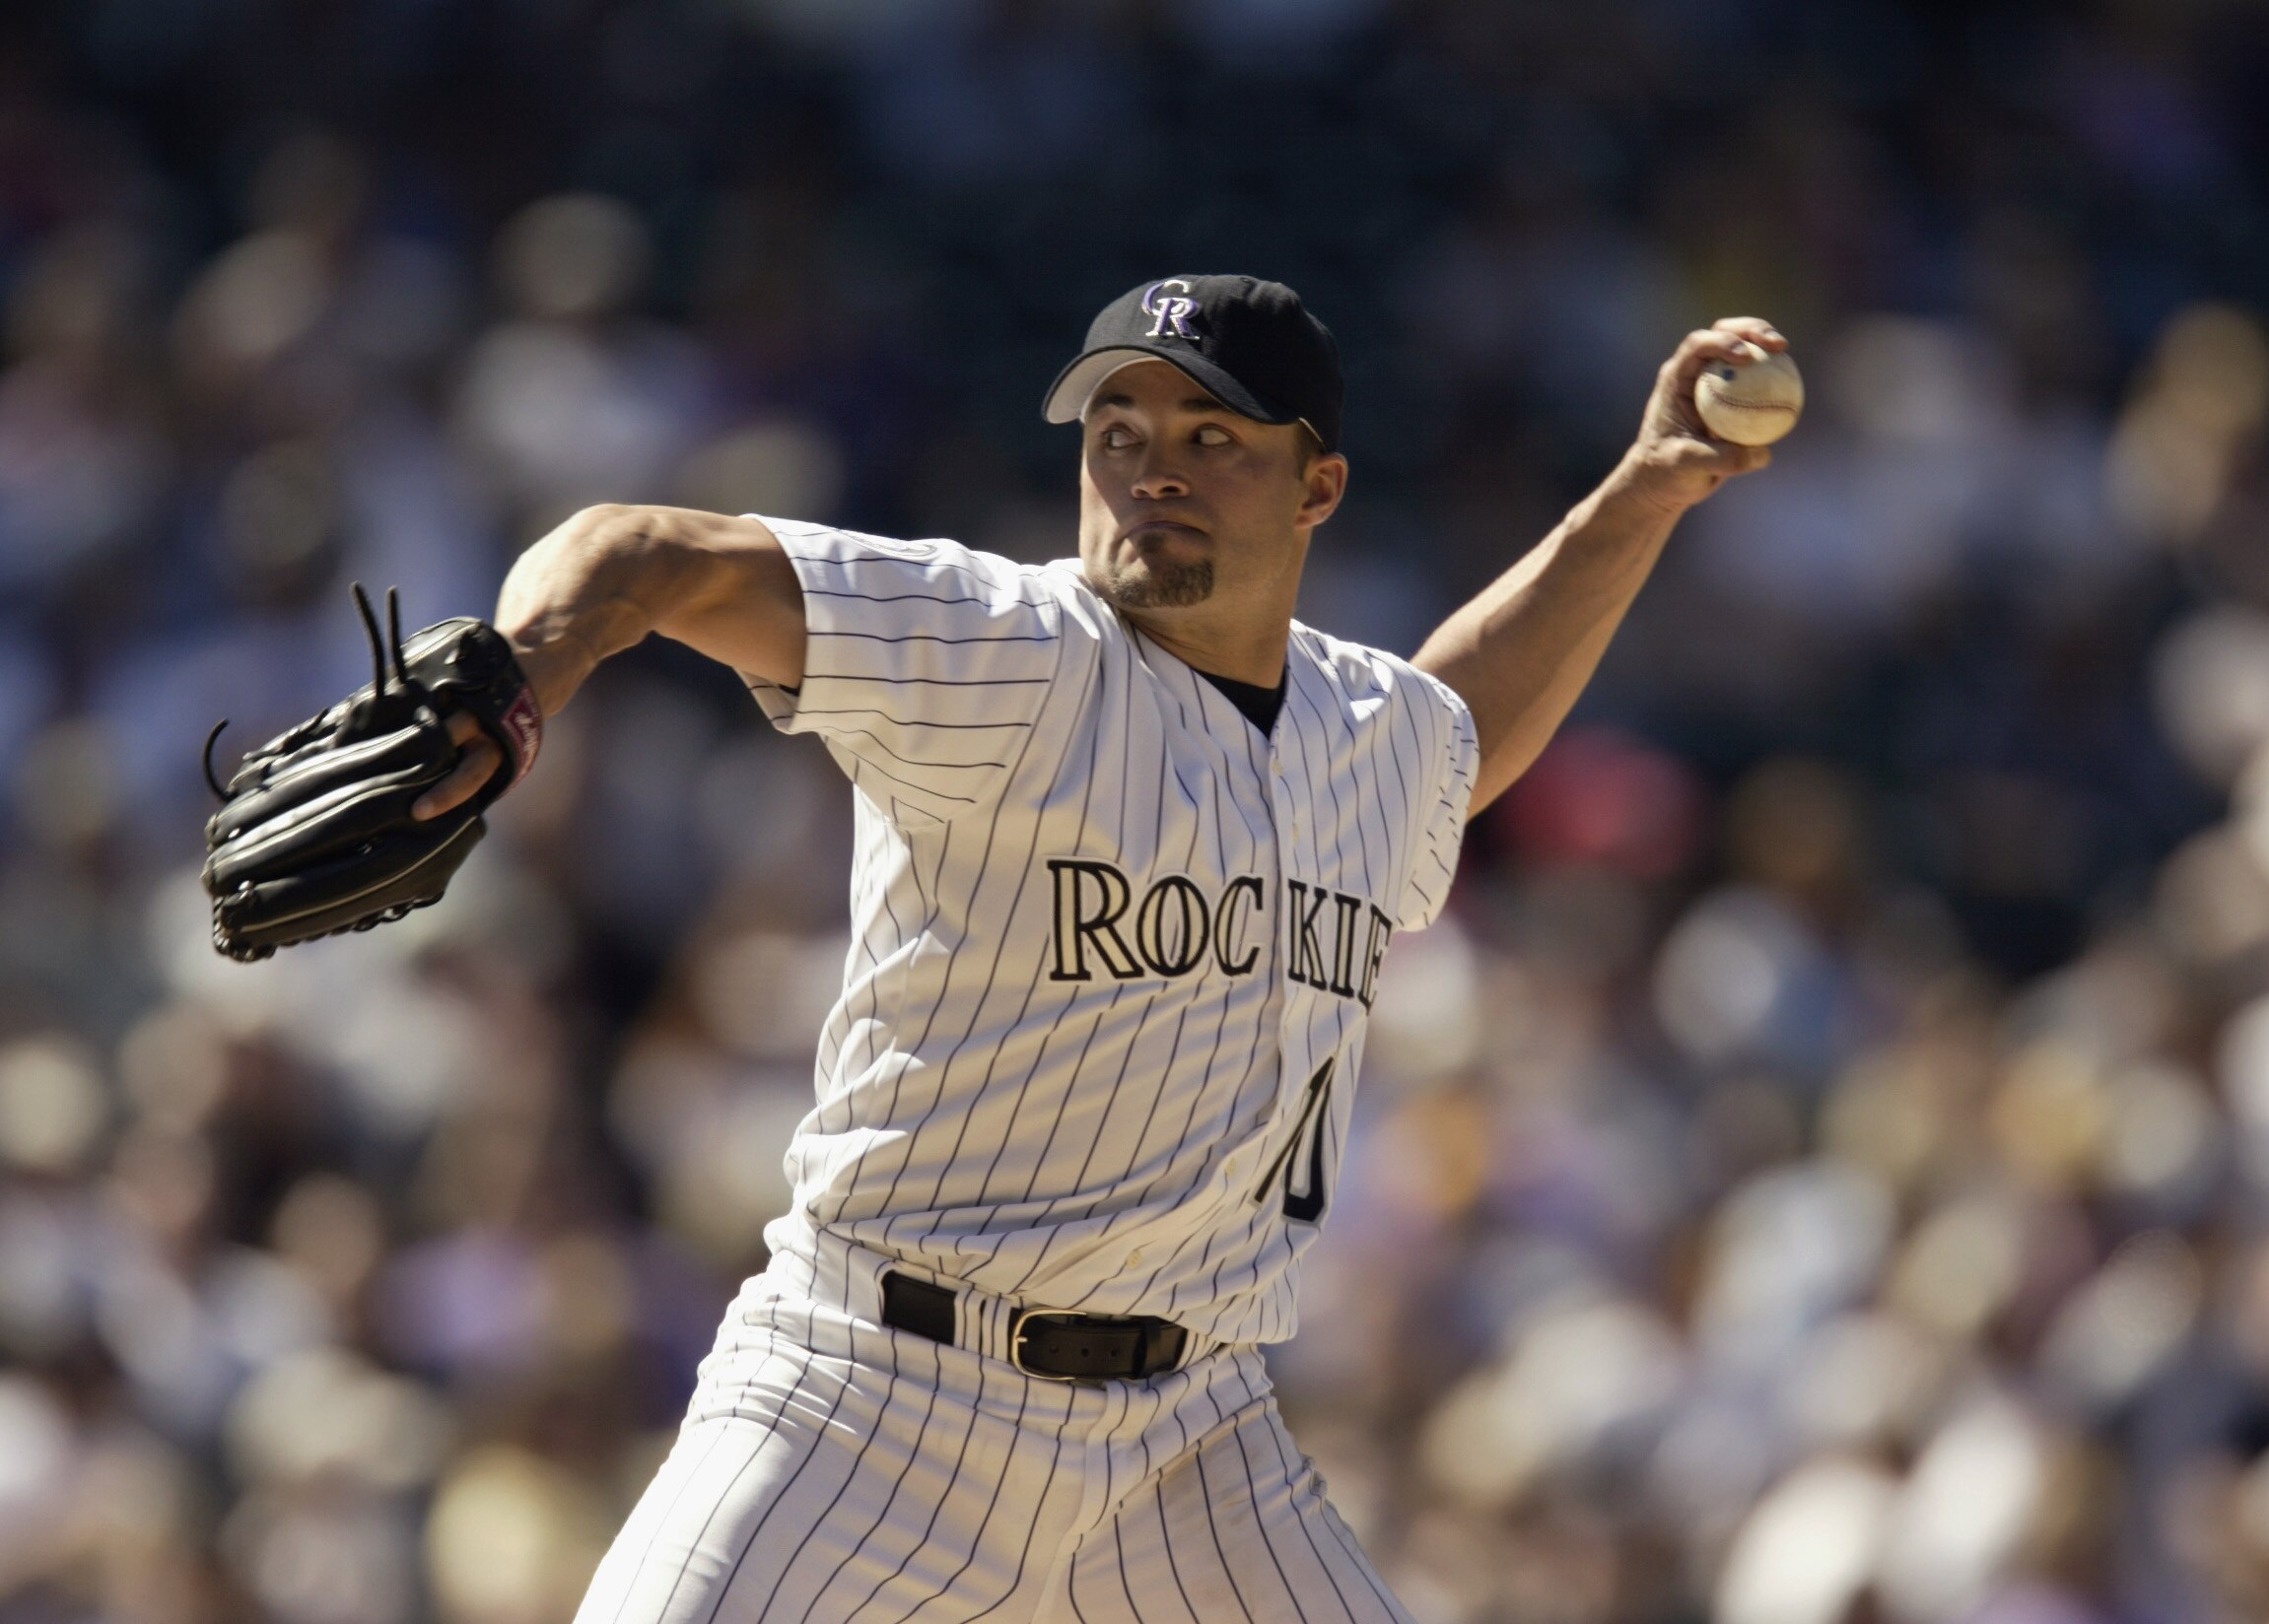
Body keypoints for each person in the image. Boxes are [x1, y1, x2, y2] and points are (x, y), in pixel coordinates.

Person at [412, 275, 1784, 1624]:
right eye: (1118, 435)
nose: (1152, 473)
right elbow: (646, 555)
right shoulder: (1008, 651)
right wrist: (519, 679)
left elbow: (1461, 736)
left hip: (1192, 1447)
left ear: (1318, 491)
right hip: (869, 1401)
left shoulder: (1367, 736)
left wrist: (1650, 486)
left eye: (1211, 441)